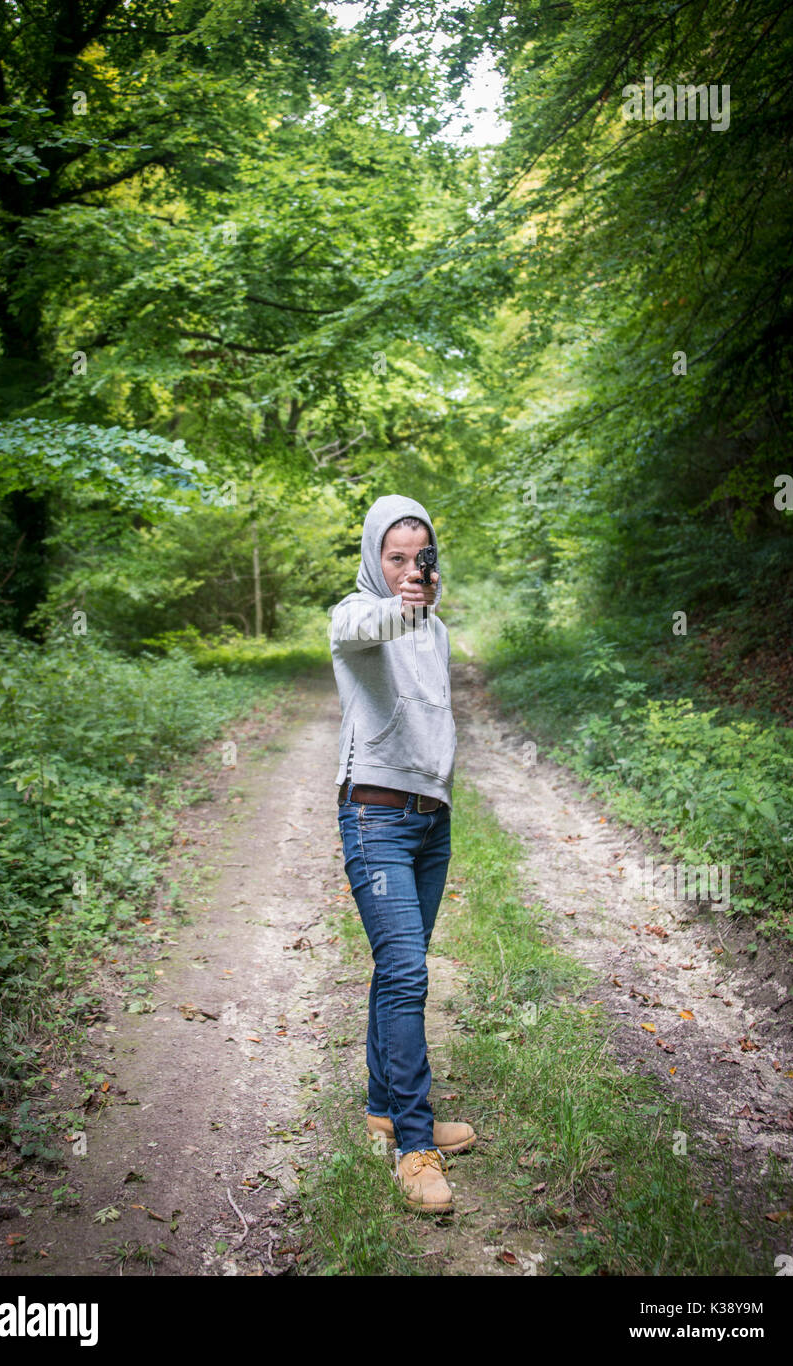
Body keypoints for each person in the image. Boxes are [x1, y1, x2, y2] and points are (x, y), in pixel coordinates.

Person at [329, 494, 476, 1214]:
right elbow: (371, 622)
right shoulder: (355, 615)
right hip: (374, 819)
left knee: (396, 970)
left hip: (429, 824)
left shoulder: (437, 631)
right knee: (407, 974)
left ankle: (383, 1110)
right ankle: (413, 1147)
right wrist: (402, 602)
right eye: (394, 558)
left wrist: (422, 610)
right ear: (373, 560)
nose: (408, 570)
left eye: (419, 557)